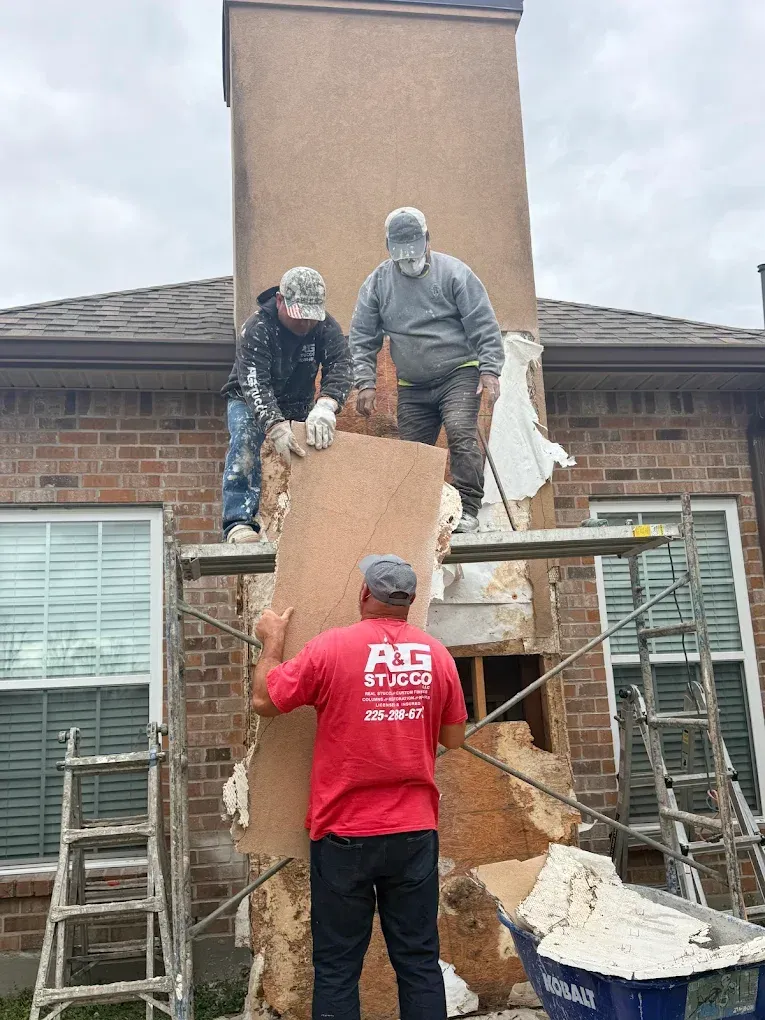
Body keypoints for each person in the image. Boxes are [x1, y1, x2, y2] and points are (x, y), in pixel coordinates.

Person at [251, 554, 468, 1020]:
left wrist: (271, 642)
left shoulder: (331, 648)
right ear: (408, 602)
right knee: (417, 963)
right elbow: (453, 739)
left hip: (344, 834)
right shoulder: (438, 656)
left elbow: (263, 700)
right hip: (413, 832)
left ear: (366, 595)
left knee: (337, 967)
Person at [349, 207, 505, 534]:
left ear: (427, 240)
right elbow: (363, 336)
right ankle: (420, 520)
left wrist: (490, 368)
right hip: (413, 384)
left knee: (461, 431)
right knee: (413, 455)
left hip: (458, 372)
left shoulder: (455, 274)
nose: (408, 262)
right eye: (401, 257)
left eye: (414, 254)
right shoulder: (377, 284)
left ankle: (468, 510)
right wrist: (366, 382)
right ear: (389, 248)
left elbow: (483, 323)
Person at [220, 267, 352, 542]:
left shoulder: (326, 326)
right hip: (248, 399)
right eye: (298, 317)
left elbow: (340, 365)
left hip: (298, 403)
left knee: (309, 450)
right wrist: (275, 426)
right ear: (280, 301)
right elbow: (256, 385)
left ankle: (302, 520)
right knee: (246, 442)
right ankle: (238, 522)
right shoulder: (257, 328)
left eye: (310, 318)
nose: (305, 325)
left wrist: (326, 405)